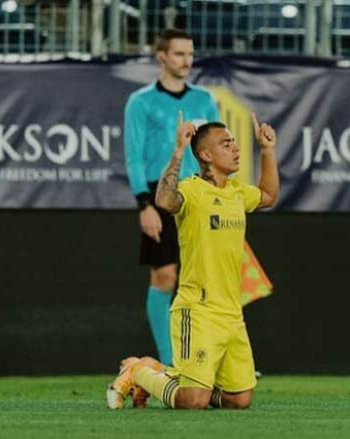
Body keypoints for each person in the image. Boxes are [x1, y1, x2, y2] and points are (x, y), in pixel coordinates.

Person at [107, 111, 279, 410]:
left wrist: (267, 151)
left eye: (235, 143)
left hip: (231, 313)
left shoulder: (238, 192)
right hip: (197, 310)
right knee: (193, 401)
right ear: (205, 154)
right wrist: (177, 152)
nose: (236, 149)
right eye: (227, 144)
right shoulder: (192, 190)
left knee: (239, 400)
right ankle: (138, 371)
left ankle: (158, 372)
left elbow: (268, 195)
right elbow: (164, 201)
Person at [124, 29, 220, 367]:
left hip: (199, 194)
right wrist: (144, 204)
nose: (187, 61)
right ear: (161, 56)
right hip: (159, 195)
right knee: (164, 276)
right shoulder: (141, 102)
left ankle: (210, 360)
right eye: (179, 54)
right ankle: (170, 364)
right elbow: (133, 157)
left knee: (207, 280)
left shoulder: (204, 101)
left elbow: (215, 152)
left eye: (190, 54)